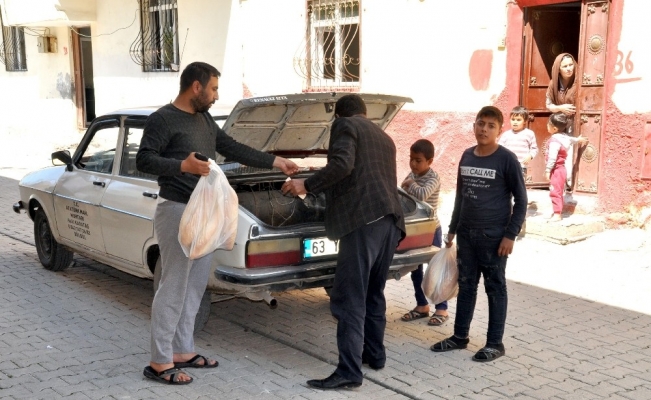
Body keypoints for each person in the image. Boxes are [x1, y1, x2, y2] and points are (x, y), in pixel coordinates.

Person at [136, 61, 298, 385]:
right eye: (213, 89)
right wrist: (182, 166)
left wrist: (275, 160)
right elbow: (143, 159)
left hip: (205, 210)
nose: (216, 95)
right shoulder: (162, 119)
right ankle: (159, 361)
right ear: (196, 87)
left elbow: (230, 147)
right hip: (177, 210)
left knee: (195, 284)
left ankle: (183, 350)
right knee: (174, 285)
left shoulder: (205, 119)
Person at [281, 94, 405, 389]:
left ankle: (349, 372)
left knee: (350, 297)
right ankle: (374, 355)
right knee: (373, 292)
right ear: (365, 113)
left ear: (338, 116)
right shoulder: (384, 137)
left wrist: (305, 184)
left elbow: (342, 165)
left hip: (362, 222)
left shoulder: (344, 125)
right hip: (390, 221)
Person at [429, 106, 526, 362]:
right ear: (474, 126)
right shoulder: (466, 156)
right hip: (466, 236)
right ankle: (460, 336)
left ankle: (495, 343)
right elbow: (461, 196)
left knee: (495, 288)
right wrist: (452, 229)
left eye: (491, 126)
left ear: (499, 130)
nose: (484, 129)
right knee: (467, 286)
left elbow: (521, 201)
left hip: (494, 238)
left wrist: (510, 235)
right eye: (481, 123)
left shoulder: (507, 160)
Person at [399, 139, 449, 326]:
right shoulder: (412, 174)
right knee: (415, 269)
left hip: (431, 229)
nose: (413, 164)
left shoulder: (433, 178)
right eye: (411, 159)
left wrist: (410, 184)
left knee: (435, 270)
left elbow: (422, 194)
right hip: (415, 229)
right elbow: (403, 192)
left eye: (418, 160)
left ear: (430, 161)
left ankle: (442, 308)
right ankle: (422, 305)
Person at [544, 112, 588, 222]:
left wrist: (548, 170)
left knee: (555, 191)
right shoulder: (565, 137)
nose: (547, 125)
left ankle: (557, 214)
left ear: (554, 128)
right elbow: (572, 140)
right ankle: (557, 211)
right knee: (558, 191)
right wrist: (578, 139)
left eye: (548, 124)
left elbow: (552, 157)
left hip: (556, 170)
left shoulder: (554, 141)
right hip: (562, 169)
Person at [546, 53, 579, 192]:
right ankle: (559, 183)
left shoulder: (579, 80)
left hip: (577, 123)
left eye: (571, 65)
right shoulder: (553, 84)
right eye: (565, 66)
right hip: (560, 125)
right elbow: (548, 105)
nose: (569, 68)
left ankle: (571, 183)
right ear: (558, 69)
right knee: (559, 153)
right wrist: (561, 108)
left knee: (572, 152)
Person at [498, 106, 538, 177]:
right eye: (513, 119)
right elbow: (499, 149)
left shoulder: (529, 134)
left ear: (525, 121)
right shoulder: (506, 135)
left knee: (519, 183)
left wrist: (530, 156)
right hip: (507, 166)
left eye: (518, 120)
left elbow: (534, 149)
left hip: (521, 167)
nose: (515, 122)